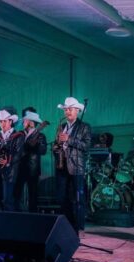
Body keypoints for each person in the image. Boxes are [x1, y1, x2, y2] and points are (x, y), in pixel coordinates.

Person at [53, 97, 91, 236]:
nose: (67, 111)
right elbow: (56, 146)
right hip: (62, 166)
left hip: (76, 167)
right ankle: (67, 226)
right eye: (65, 109)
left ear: (77, 111)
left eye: (70, 109)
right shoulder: (62, 127)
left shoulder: (84, 127)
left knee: (77, 199)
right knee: (62, 198)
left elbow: (86, 146)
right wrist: (56, 147)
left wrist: (69, 139)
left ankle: (79, 227)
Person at [0, 106, 24, 211]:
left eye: (4, 121)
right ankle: (3, 219)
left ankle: (10, 223)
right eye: (0, 122)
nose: (2, 124)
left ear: (11, 121)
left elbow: (18, 154)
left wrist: (8, 160)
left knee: (8, 199)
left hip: (10, 172)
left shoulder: (19, 136)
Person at [14, 108, 48, 212]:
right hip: (19, 167)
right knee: (16, 193)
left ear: (31, 122)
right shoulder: (19, 134)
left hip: (33, 169)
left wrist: (35, 142)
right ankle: (16, 214)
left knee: (33, 194)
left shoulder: (41, 135)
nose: (23, 122)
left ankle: (32, 215)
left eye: (25, 120)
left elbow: (43, 151)